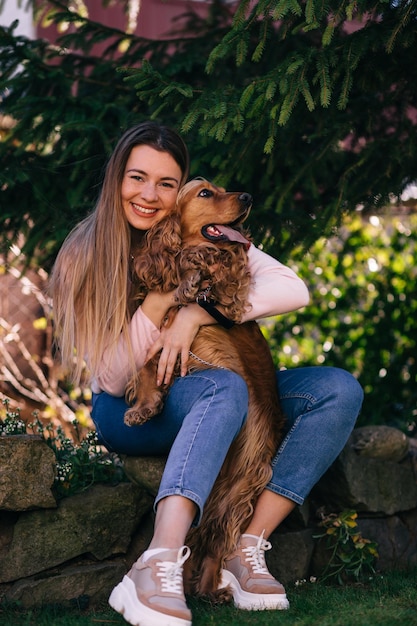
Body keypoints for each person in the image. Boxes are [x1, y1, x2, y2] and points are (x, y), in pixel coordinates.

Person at [50, 121, 363, 626]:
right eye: (137, 177)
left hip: (219, 386)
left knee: (336, 388)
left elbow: (294, 290)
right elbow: (109, 377)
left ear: (178, 195)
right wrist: (163, 300)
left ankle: (246, 546)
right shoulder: (86, 251)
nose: (149, 195)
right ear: (116, 180)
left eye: (166, 183)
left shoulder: (212, 235)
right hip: (130, 405)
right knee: (225, 387)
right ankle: (158, 562)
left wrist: (199, 314)